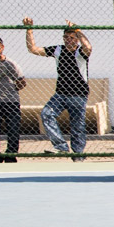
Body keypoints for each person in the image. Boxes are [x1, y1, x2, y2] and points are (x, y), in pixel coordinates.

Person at [23, 17, 93, 161]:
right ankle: (61, 146)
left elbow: (88, 47)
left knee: (77, 127)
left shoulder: (80, 52)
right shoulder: (57, 50)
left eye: (71, 37)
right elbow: (33, 49)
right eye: (66, 37)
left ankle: (78, 156)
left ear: (77, 39)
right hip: (61, 94)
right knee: (47, 114)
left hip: (78, 94)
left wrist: (78, 30)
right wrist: (29, 30)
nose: (68, 40)